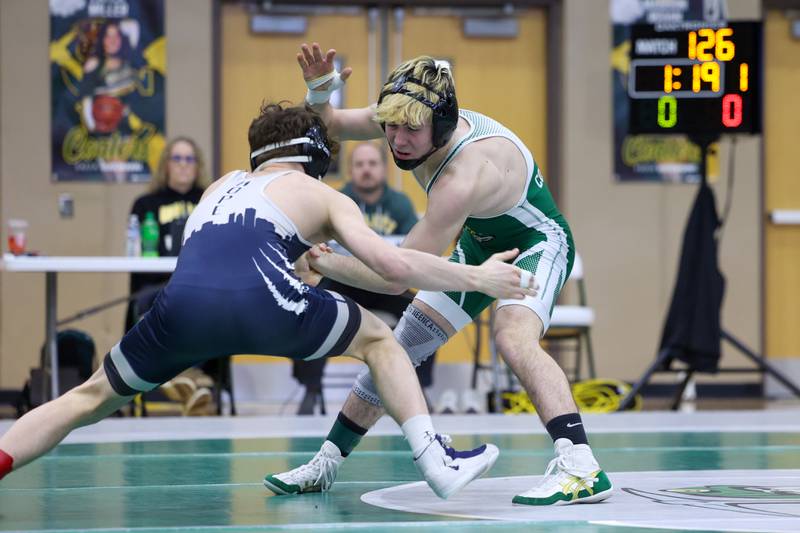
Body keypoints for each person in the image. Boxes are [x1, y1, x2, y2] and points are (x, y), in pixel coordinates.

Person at [0, 102, 538, 501]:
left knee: (89, 398)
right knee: (379, 339)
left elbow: (234, 253)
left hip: (179, 312)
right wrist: (479, 277)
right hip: (267, 302)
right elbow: (394, 272)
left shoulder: (218, 186)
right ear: (316, 155)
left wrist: (312, 261)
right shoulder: (321, 194)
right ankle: (436, 460)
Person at [264, 44, 613, 506]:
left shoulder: (461, 177)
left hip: (534, 243)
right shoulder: (409, 110)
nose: (397, 140)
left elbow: (395, 277)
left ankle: (580, 465)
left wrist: (324, 262)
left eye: (410, 130)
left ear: (441, 126)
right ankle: (325, 462)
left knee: (512, 336)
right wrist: (318, 91)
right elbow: (331, 125)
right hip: (477, 244)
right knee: (396, 348)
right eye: (389, 127)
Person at [292, 141, 437, 414]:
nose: (366, 170)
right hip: (342, 279)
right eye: (360, 164)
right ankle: (310, 389)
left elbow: (411, 251)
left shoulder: (400, 204)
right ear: (350, 170)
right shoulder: (336, 200)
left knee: (426, 313)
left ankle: (421, 387)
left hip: (386, 283)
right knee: (307, 308)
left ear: (383, 167)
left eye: (372, 164)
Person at [126, 137, 215, 416]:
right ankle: (193, 378)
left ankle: (181, 377)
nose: (183, 166)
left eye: (189, 159)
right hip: (157, 287)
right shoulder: (145, 204)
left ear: (198, 165)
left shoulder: (210, 200)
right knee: (170, 302)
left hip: (200, 287)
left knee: (208, 305)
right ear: (165, 165)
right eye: (177, 158)